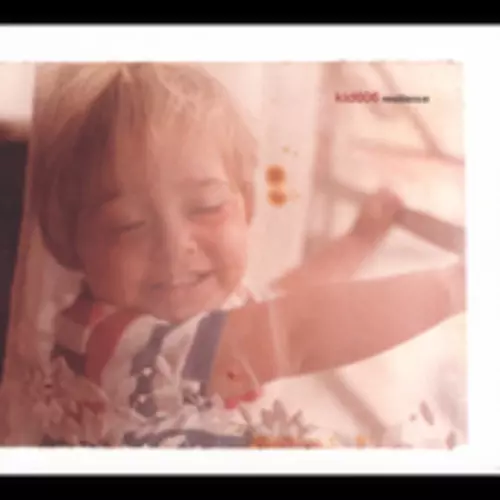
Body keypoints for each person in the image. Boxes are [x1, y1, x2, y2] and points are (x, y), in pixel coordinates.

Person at [29, 63, 465, 447]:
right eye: (128, 226)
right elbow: (295, 335)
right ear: (72, 241)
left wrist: (358, 242)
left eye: (205, 207)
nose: (174, 245)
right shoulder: (115, 345)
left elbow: (286, 300)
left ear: (248, 204)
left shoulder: (189, 319)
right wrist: (453, 287)